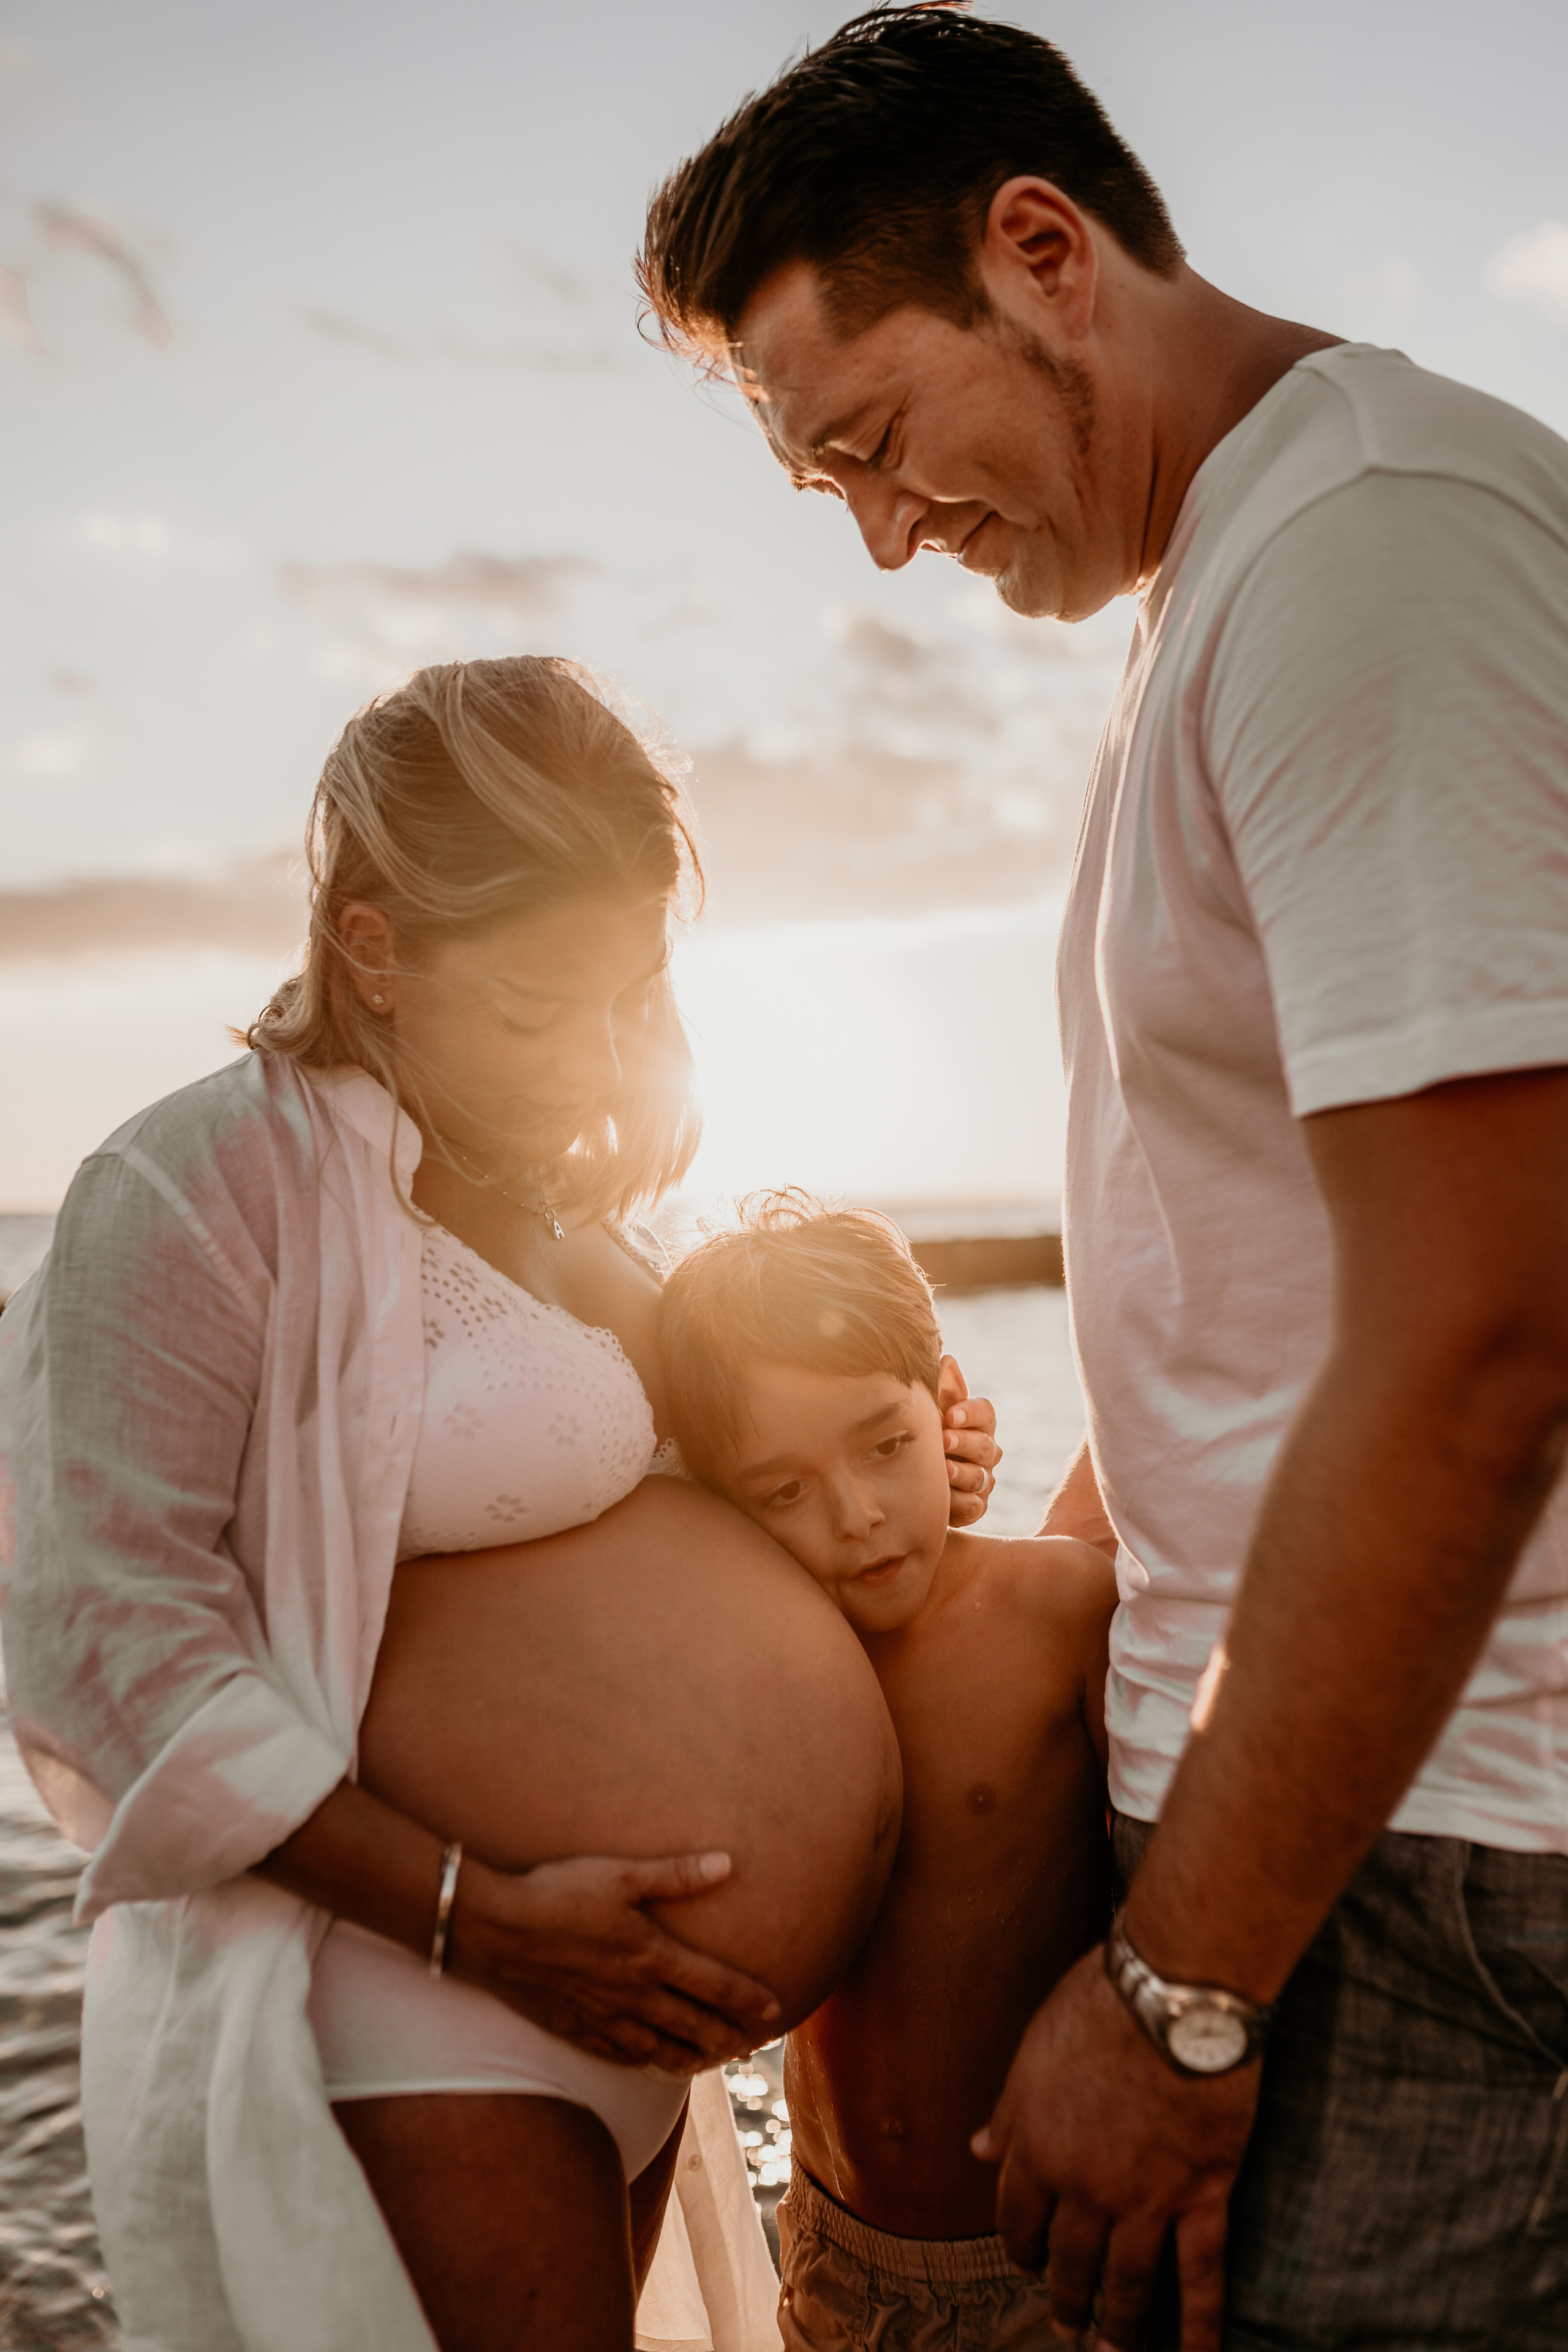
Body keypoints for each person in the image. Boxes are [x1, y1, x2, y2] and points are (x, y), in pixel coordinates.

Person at [638, 9, 1568, 2349]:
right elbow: (1252, 1293)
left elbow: (1485, 1327)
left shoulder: (1372, 553)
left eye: (875, 444)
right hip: (1333, 1839)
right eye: (826, 491)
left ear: (1043, 252)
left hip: (1428, 1864)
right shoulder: (1228, 590)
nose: (884, 534)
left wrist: (1178, 1992)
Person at [0, 654, 1002, 2352]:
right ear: (374, 950)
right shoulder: (187, 1186)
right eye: (538, 1009)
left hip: (619, 2027)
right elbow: (103, 1644)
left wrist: (891, 1463)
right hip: (420, 2002)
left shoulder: (562, 1210)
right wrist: (473, 1916)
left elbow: (699, 1498)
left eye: (624, 1000)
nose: (591, 1063)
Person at [660, 1194, 1117, 2352]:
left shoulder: (1060, 1611)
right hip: (837, 2256)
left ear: (948, 1402)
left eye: (886, 1446)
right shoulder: (762, 1664)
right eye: (784, 1491)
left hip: (1045, 2263)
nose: (858, 1516)